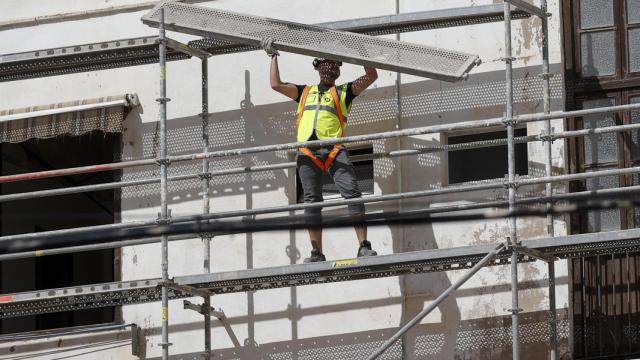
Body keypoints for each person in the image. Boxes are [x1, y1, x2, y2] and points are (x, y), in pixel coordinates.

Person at [261, 38, 379, 263]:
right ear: (317, 67)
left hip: (334, 150)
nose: (330, 68)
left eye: (334, 65)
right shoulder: (304, 92)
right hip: (307, 151)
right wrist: (273, 56)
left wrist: (360, 51)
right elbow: (275, 84)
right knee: (312, 202)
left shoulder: (345, 91)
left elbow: (371, 76)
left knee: (352, 194)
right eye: (326, 63)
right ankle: (316, 252)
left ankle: (364, 245)